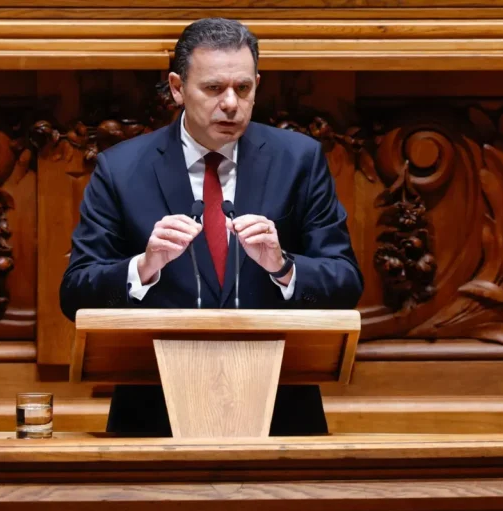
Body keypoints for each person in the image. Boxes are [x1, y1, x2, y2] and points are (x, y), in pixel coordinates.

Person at [60, 17, 363, 436]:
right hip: (153, 410)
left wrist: (284, 267)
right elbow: (75, 293)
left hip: (281, 408)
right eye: (214, 88)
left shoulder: (299, 160)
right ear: (177, 88)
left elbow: (346, 283)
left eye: (243, 88)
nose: (231, 103)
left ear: (257, 85)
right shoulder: (122, 168)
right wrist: (142, 268)